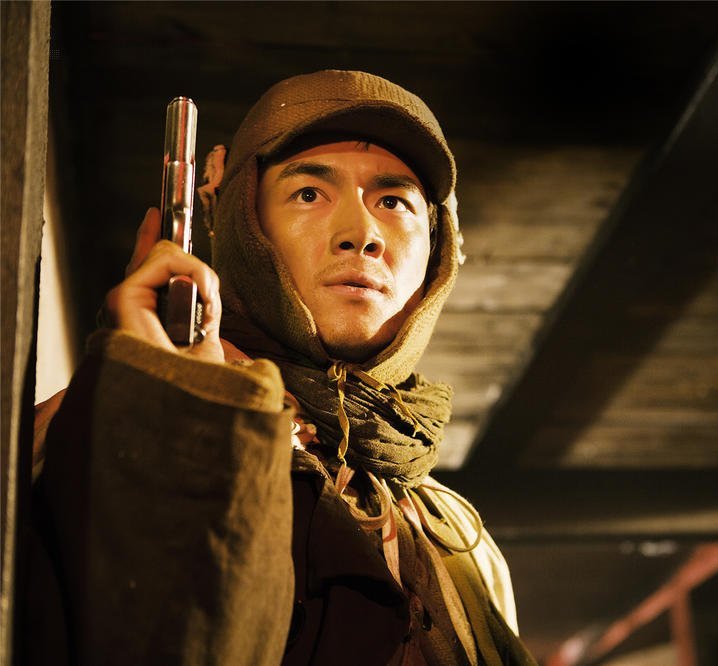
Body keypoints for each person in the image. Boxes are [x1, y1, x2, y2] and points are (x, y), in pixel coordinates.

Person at [27, 70, 535, 665]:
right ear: (240, 220)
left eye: (393, 202)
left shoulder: (462, 540)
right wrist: (166, 414)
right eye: (309, 194)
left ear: (439, 247)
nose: (361, 235)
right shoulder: (79, 432)